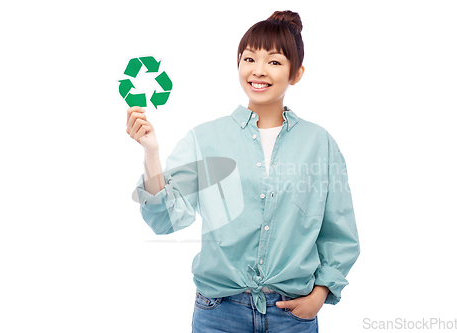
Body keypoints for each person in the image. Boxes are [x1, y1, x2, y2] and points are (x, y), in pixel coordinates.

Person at [126, 10, 360, 333]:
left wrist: (320, 294)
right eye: (249, 58)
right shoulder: (205, 139)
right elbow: (166, 220)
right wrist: (151, 153)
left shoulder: (320, 144)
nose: (258, 71)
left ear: (297, 73)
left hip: (291, 316)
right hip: (218, 314)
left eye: (274, 62)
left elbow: (340, 233)